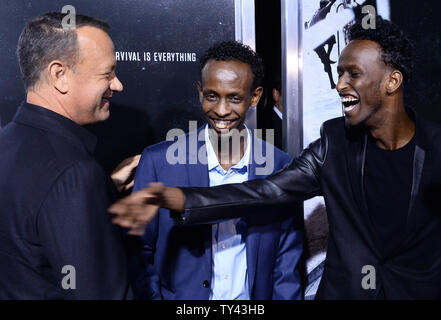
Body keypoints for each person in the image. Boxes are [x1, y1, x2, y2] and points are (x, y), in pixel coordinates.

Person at [110, 16, 441, 299]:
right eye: (339, 73)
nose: (339, 84)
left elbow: (285, 258)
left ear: (391, 81)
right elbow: (263, 192)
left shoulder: (436, 150)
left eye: (352, 74)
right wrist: (175, 197)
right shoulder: (335, 142)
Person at [128, 41, 303, 300]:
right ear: (200, 92)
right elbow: (138, 251)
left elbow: (286, 263)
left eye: (234, 98)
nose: (221, 110)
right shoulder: (159, 162)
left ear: (254, 97)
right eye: (212, 96)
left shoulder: (280, 167)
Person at [0, 12, 135, 299]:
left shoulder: (6, 143)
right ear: (59, 75)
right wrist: (87, 189)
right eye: (107, 73)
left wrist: (103, 192)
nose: (117, 85)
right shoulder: (75, 173)